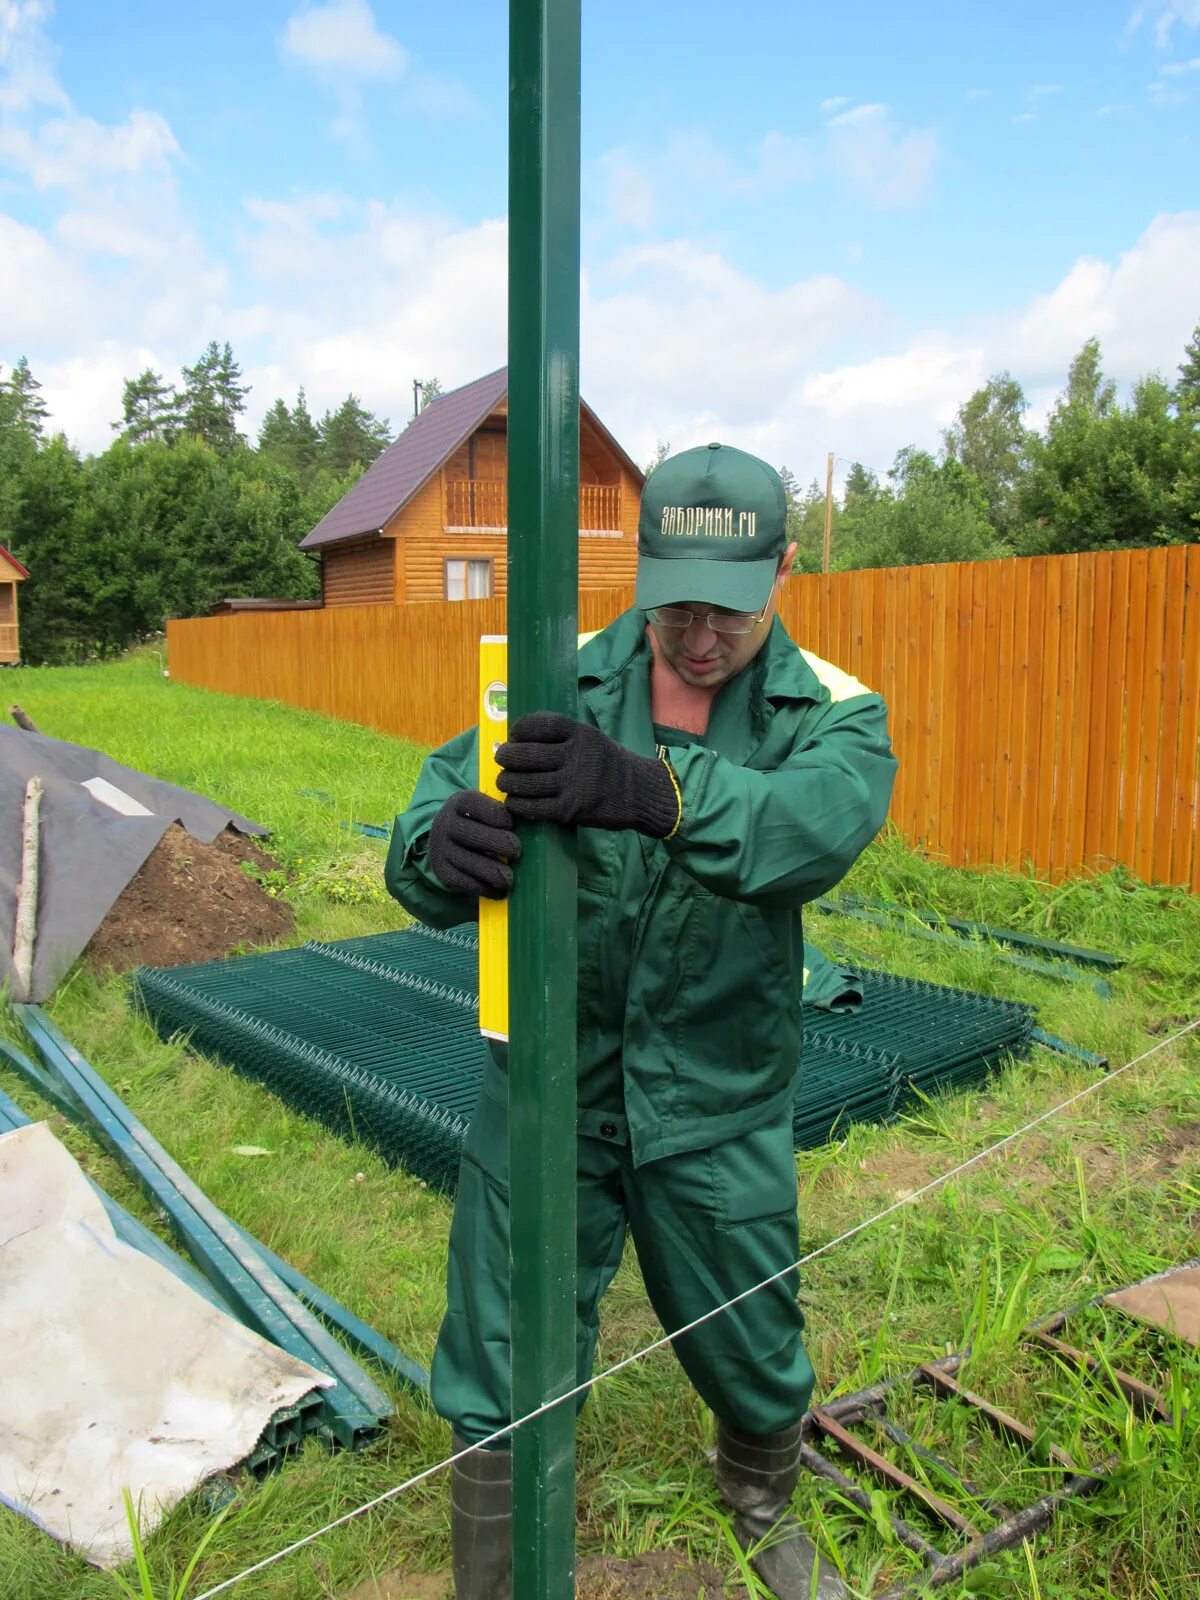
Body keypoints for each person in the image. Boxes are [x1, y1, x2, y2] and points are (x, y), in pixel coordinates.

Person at [386, 442, 898, 1600]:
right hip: (548, 1085)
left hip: (713, 1095)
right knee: (501, 1352)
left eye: (729, 609)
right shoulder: (551, 678)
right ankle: (498, 1572)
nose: (700, 637)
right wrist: (440, 848)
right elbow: (426, 819)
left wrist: (651, 790)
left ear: (784, 569)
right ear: (642, 573)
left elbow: (814, 828)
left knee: (754, 1342)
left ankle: (762, 1495)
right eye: (676, 609)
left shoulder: (831, 712)